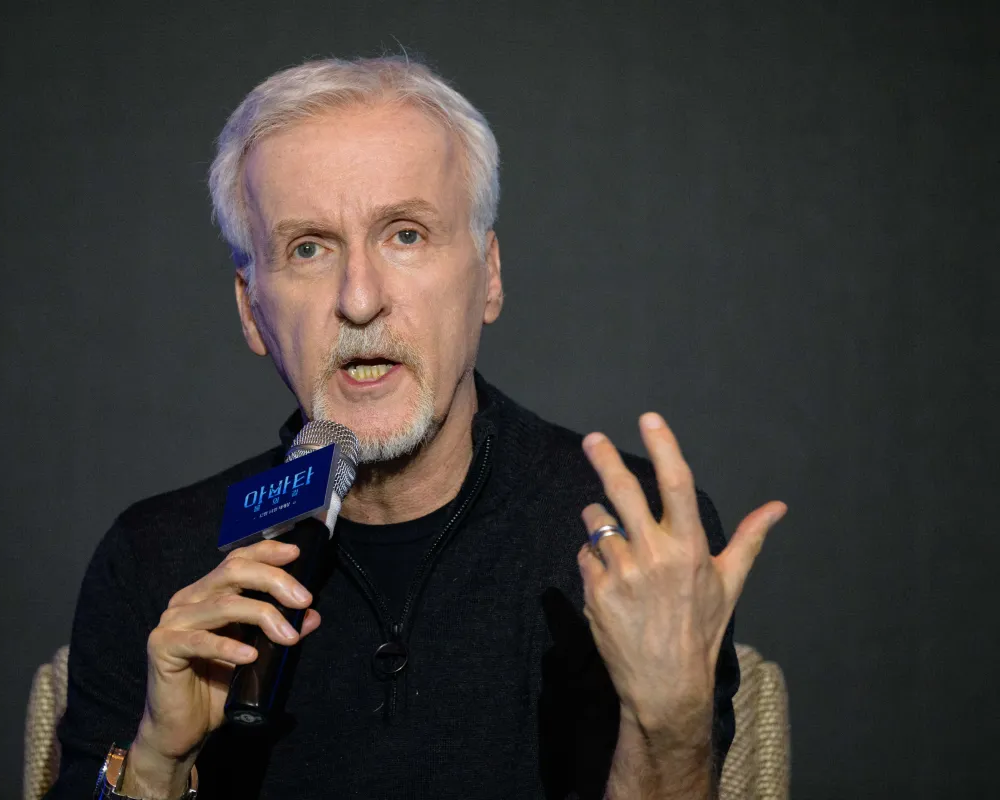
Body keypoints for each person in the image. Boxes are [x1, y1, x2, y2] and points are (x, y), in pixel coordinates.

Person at [47, 56, 786, 800]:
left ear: (489, 276)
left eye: (405, 235)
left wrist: (669, 724)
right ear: (251, 311)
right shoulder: (153, 559)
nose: (360, 299)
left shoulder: (631, 540)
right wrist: (158, 764)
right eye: (308, 248)